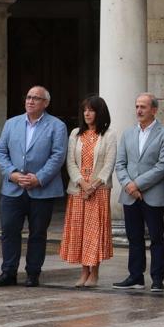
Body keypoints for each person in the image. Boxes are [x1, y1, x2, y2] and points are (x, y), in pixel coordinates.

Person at [0, 85, 67, 287]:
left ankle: (33, 273)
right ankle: (8, 272)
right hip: (13, 189)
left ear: (46, 103)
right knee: (9, 231)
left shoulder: (57, 126)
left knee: (38, 233)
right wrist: (13, 174)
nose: (30, 101)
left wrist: (39, 178)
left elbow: (58, 155)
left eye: (36, 98)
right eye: (28, 97)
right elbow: (1, 152)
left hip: (42, 189)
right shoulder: (11, 124)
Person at [113, 93, 164, 293]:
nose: (139, 110)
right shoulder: (128, 133)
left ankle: (157, 279)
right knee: (134, 237)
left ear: (154, 110)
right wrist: (128, 184)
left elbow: (162, 166)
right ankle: (135, 276)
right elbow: (120, 163)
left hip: (152, 194)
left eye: (143, 107)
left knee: (156, 237)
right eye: (137, 106)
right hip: (130, 194)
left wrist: (137, 184)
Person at [59, 95, 116, 287]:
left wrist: (93, 185)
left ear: (99, 113)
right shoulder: (75, 134)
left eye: (91, 110)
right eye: (85, 110)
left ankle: (95, 272)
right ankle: (83, 271)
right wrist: (81, 183)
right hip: (78, 190)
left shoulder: (109, 135)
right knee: (80, 232)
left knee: (94, 232)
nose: (87, 114)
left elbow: (109, 164)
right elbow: (70, 162)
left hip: (98, 191)